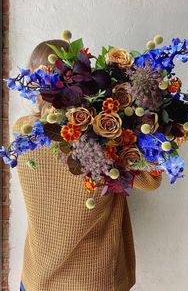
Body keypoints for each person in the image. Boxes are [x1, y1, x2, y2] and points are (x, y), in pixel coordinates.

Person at [12, 40, 162, 291]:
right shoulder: (101, 138)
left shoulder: (22, 130)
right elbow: (151, 181)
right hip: (91, 280)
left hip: (36, 276)